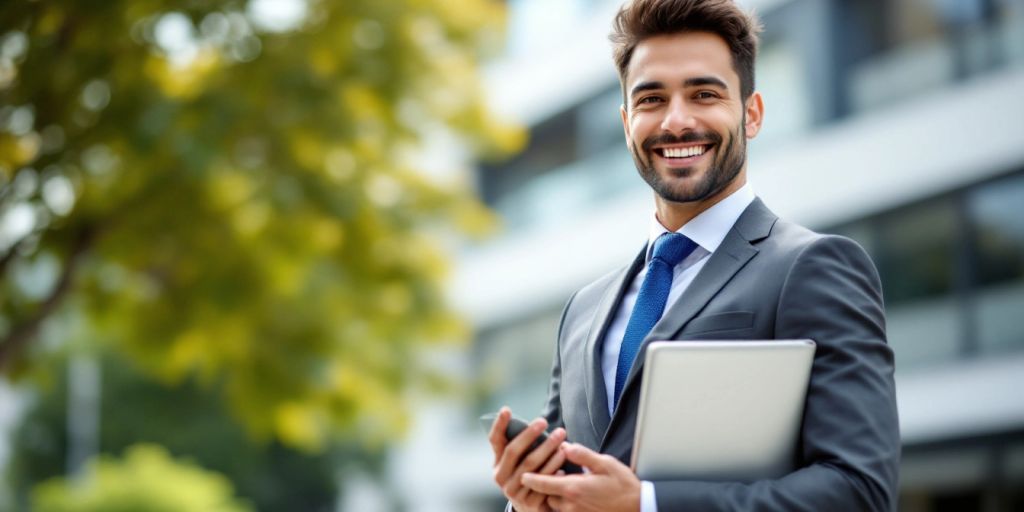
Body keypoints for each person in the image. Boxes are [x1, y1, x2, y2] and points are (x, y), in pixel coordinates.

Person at [487, 0, 901, 510]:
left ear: (751, 114)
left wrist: (646, 504)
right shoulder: (583, 311)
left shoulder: (814, 267)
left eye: (704, 94)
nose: (676, 122)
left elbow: (859, 490)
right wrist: (530, 501)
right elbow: (570, 481)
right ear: (626, 123)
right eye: (651, 99)